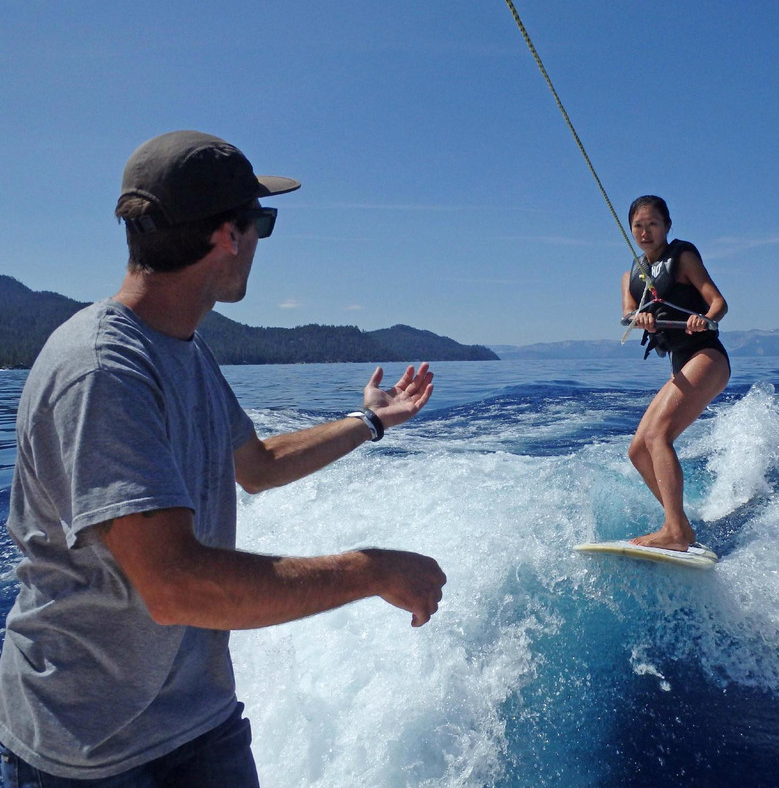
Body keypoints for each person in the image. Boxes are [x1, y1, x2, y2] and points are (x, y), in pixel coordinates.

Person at [0, 130, 446, 786]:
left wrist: (370, 420)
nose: (261, 242)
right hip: (87, 753)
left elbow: (258, 463)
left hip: (197, 723)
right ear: (228, 238)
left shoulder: (185, 350)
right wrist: (369, 570)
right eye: (261, 222)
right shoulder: (101, 370)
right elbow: (174, 585)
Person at [620, 195, 731, 552]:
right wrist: (640, 319)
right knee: (638, 450)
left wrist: (705, 318)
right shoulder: (630, 275)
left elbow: (718, 301)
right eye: (638, 225)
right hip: (682, 364)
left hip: (707, 356)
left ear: (667, 226)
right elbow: (627, 315)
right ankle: (680, 527)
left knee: (658, 436)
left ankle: (674, 532)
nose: (645, 231)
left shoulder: (682, 257)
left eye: (653, 224)